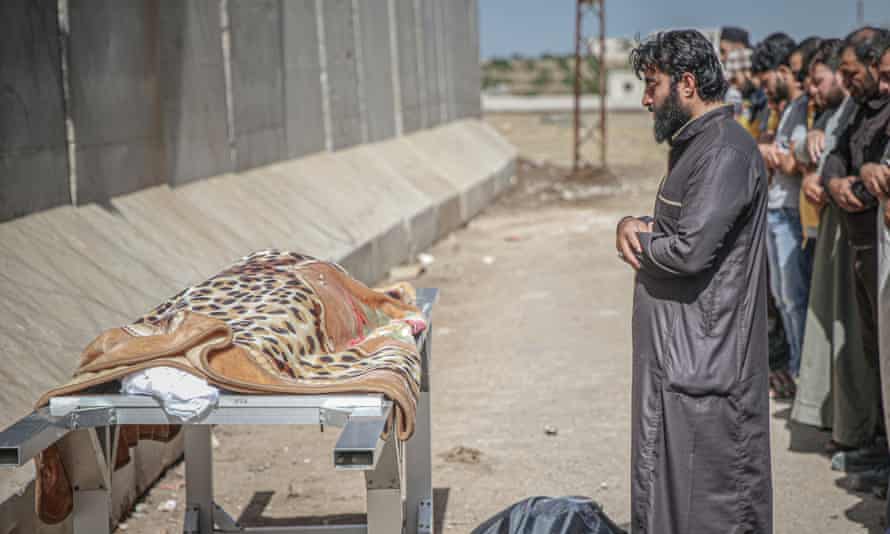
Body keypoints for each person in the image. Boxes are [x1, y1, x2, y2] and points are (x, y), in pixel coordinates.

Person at [619, 29, 772, 533]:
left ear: (686, 83)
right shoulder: (698, 146)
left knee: (715, 505)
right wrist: (636, 224)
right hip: (680, 360)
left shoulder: (724, 151)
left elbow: (689, 249)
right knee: (673, 501)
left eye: (652, 84)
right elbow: (683, 228)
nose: (645, 99)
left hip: (706, 367)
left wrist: (638, 240)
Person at [791, 39, 870, 455]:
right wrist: (818, 171)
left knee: (854, 338)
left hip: (859, 234)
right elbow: (825, 151)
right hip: (837, 233)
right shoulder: (833, 112)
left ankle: (860, 436)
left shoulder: (862, 105)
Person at [822, 27, 890, 490]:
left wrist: (862, 182)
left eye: (852, 73)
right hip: (865, 249)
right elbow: (835, 155)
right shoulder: (856, 109)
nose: (848, 83)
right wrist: (834, 183)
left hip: (880, 245)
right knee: (875, 353)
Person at [753, 33, 814, 382]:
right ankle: (795, 368)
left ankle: (800, 372)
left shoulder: (803, 107)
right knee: (784, 297)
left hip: (792, 212)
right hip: (778, 211)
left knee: (795, 298)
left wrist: (773, 154)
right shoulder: (787, 110)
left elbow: (793, 161)